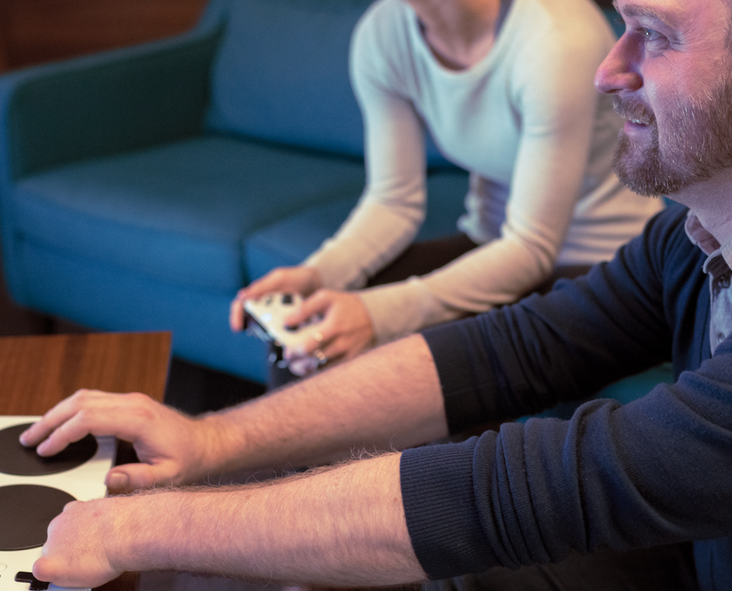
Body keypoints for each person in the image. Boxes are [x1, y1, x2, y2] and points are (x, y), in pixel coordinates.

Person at [22, 0, 732, 591]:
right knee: (497, 589)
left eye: (653, 37)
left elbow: (529, 485)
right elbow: (518, 348)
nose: (610, 67)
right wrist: (208, 442)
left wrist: (141, 528)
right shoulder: (725, 215)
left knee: (501, 533)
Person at [228, 0, 662, 382]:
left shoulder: (556, 37)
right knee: (308, 330)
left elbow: (531, 247)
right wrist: (319, 275)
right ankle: (289, 476)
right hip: (493, 242)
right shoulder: (383, 34)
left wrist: (376, 315)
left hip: (600, 263)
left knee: (436, 371)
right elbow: (392, 202)